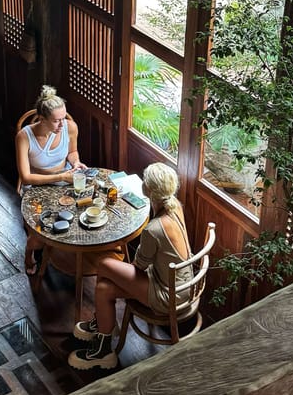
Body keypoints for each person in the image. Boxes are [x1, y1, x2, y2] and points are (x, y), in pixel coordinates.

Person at [68, 162, 193, 371]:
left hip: (168, 294)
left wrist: (117, 273)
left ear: (149, 190)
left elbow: (138, 267)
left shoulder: (153, 229)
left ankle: (102, 330)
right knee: (103, 288)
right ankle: (103, 343)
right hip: (180, 282)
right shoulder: (175, 207)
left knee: (104, 265)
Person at [16, 84, 86, 275]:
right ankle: (29, 253)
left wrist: (76, 163)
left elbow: (72, 152)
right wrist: (60, 176)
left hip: (64, 181)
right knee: (41, 231)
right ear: (42, 118)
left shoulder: (70, 127)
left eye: (64, 118)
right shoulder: (24, 137)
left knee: (85, 211)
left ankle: (71, 253)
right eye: (56, 121)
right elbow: (26, 177)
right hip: (35, 187)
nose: (62, 125)